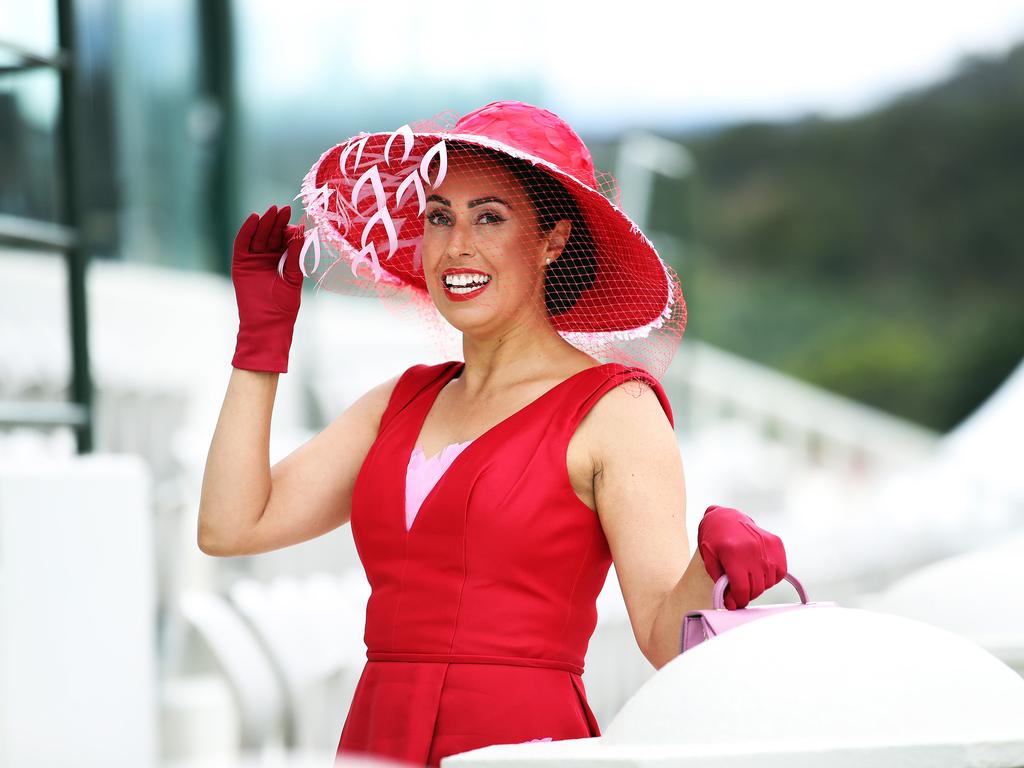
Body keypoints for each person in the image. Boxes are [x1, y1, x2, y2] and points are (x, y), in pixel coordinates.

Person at [198, 101, 788, 766]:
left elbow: (659, 633)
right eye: (439, 217)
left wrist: (710, 563)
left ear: (552, 241)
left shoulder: (614, 411)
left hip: (523, 745)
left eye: (490, 217)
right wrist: (260, 345)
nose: (456, 247)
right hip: (376, 736)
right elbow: (230, 526)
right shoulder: (398, 401)